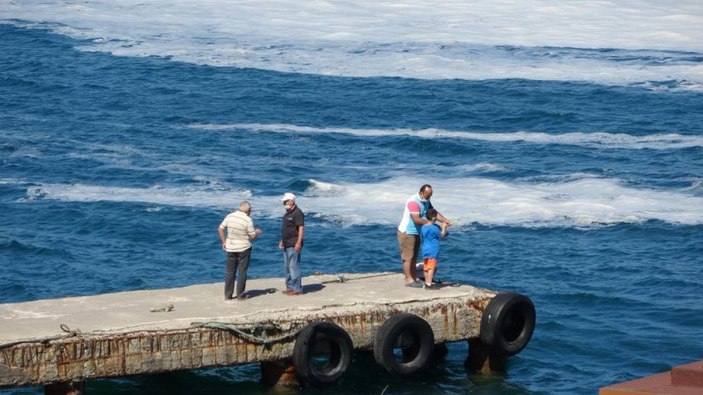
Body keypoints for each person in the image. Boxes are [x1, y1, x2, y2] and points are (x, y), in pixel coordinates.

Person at [397, 184, 452, 287]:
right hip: (407, 232)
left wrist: (445, 220)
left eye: (430, 196)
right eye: (427, 196)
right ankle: (409, 280)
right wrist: (429, 223)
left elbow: (433, 213)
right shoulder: (413, 202)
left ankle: (415, 278)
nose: (429, 198)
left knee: (414, 257)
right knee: (408, 257)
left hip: (417, 232)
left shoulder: (426, 201)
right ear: (421, 193)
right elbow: (416, 219)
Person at [218, 201, 262, 300]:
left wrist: (224, 242)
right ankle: (240, 294)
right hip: (244, 248)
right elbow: (252, 236)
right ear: (248, 210)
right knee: (242, 272)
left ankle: (228, 295)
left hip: (231, 247)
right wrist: (257, 232)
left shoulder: (230, 216)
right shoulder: (248, 220)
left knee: (230, 272)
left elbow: (220, 229)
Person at [279, 192, 304, 296]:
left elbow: (301, 229)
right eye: (284, 201)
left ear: (292, 201)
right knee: (287, 267)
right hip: (286, 243)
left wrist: (298, 243)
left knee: (294, 267)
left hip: (294, 244)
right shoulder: (287, 213)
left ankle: (297, 288)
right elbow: (286, 229)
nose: (284, 203)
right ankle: (289, 287)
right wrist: (282, 240)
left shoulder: (298, 213)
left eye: (286, 201)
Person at [420, 209, 448, 290]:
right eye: (436, 218)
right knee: (431, 267)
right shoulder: (434, 228)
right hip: (433, 250)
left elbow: (423, 236)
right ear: (433, 219)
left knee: (426, 267)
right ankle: (429, 284)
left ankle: (426, 282)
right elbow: (442, 235)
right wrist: (444, 227)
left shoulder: (423, 227)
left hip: (425, 249)